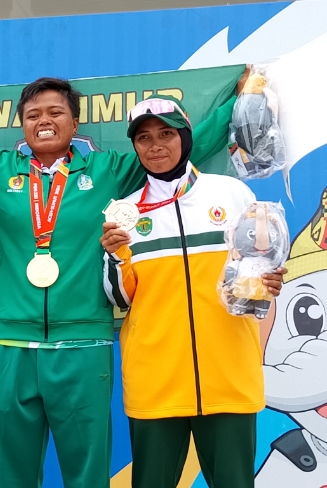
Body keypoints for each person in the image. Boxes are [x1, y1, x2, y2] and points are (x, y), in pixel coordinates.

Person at [0, 74, 244, 487]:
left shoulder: (109, 170)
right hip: (10, 345)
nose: (44, 120)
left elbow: (187, 145)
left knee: (87, 476)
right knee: (13, 478)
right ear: (22, 124)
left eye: (56, 112)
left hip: (84, 344)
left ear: (75, 124)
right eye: (33, 114)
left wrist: (234, 105)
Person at [100, 94, 287, 488]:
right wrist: (116, 256)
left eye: (166, 134)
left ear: (185, 137)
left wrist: (269, 281)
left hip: (228, 377)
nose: (155, 146)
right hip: (156, 383)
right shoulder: (125, 213)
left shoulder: (232, 194)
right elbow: (119, 298)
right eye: (144, 138)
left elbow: (257, 274)